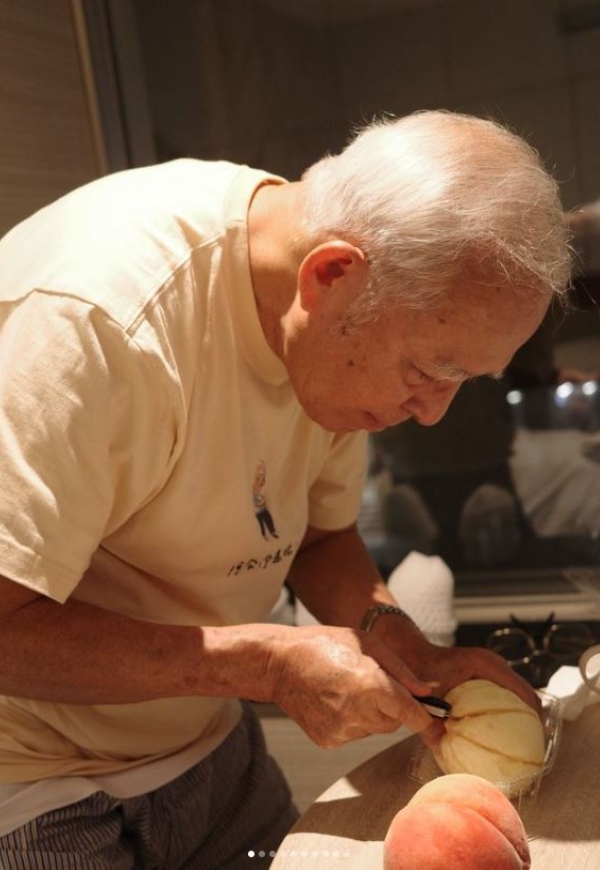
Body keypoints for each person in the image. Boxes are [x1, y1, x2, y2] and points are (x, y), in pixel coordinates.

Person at [0, 110, 570, 867]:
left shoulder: (334, 321)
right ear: (331, 275)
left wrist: (401, 645)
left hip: (208, 745)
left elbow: (321, 536)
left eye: (464, 379)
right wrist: (265, 663)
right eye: (428, 371)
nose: (434, 414)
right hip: (38, 782)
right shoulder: (95, 329)